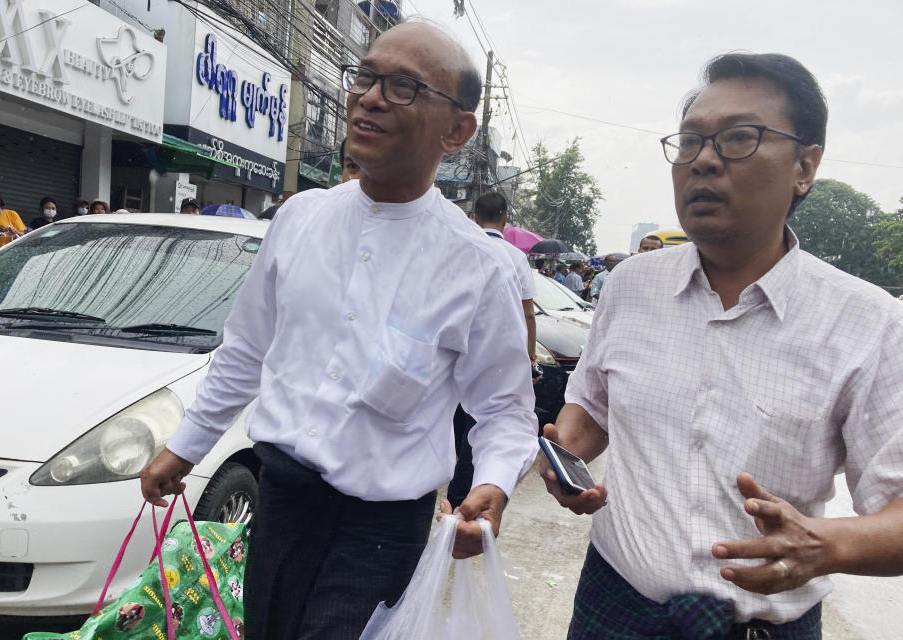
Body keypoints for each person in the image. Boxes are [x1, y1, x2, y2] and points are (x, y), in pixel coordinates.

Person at [140, 21, 537, 640]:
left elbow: (506, 410)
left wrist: (492, 484)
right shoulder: (300, 218)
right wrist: (186, 444)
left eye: (404, 86)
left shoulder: (478, 268)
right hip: (281, 506)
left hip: (378, 534)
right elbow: (246, 348)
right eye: (367, 76)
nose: (371, 97)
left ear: (457, 131)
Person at [542, 52, 903, 640]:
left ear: (805, 167)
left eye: (739, 138)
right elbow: (591, 405)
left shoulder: (870, 324)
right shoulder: (633, 284)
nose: (703, 160)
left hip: (758, 627)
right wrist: (568, 456)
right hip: (613, 608)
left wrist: (828, 544)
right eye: (688, 142)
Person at [447, 190, 538, 508]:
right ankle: (465, 491)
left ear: (474, 217)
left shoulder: (460, 249)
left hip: (455, 354)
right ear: (505, 219)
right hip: (495, 356)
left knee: (457, 421)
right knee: (483, 423)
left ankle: (457, 487)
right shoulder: (515, 258)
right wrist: (529, 358)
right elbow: (527, 312)